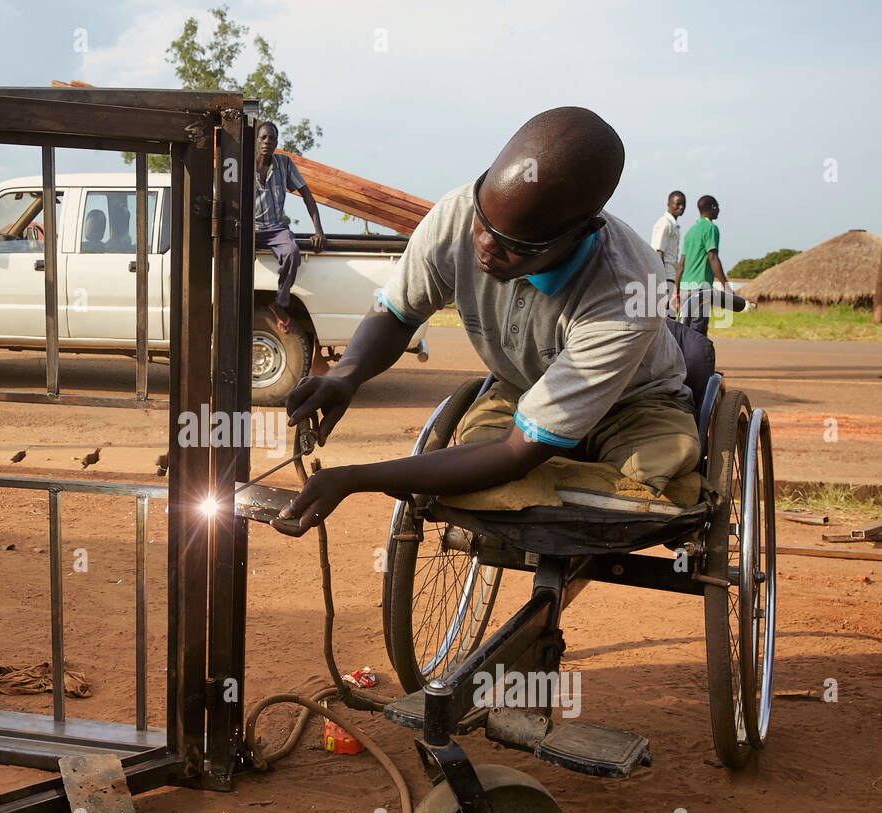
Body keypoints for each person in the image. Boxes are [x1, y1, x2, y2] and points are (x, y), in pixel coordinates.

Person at [272, 107, 697, 536]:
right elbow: (398, 313)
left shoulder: (629, 290)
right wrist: (346, 374)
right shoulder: (457, 214)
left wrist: (357, 478)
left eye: (514, 243)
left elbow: (514, 451)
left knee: (647, 492)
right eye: (483, 219)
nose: (485, 243)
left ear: (581, 234)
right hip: (522, 389)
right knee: (479, 468)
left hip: (633, 406)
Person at [253, 121, 326, 331]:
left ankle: (280, 303)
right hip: (250, 227)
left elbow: (307, 195)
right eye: (263, 137)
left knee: (293, 252)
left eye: (272, 138)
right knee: (237, 258)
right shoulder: (244, 164)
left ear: (276, 143)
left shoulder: (284, 164)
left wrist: (319, 231)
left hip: (275, 228)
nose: (267, 142)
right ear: (256, 141)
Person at [674, 195, 731, 334]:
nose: (719, 210)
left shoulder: (690, 231)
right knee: (697, 333)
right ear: (713, 207)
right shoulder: (710, 228)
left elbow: (681, 264)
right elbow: (712, 257)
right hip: (700, 288)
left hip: (685, 289)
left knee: (684, 331)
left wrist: (676, 291)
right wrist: (726, 286)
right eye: (718, 207)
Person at [650, 190, 685, 303]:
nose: (681, 207)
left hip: (670, 273)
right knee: (665, 309)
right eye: (677, 204)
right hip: (665, 274)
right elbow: (658, 252)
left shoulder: (673, 224)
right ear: (669, 204)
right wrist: (661, 279)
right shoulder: (665, 223)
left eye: (683, 204)